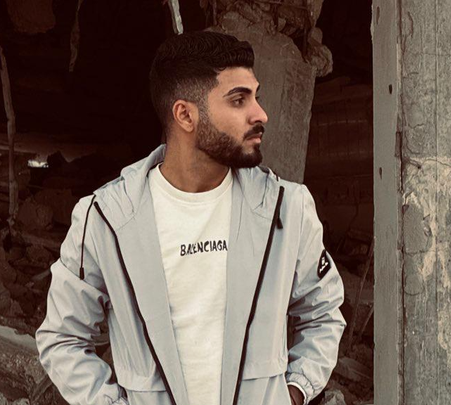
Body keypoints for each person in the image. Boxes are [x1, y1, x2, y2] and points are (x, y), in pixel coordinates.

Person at [36, 31, 345, 405]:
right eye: (238, 100)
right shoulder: (107, 219)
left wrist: (293, 391)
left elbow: (323, 313)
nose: (260, 114)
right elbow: (62, 338)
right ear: (185, 114)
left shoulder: (286, 209)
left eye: (256, 96)